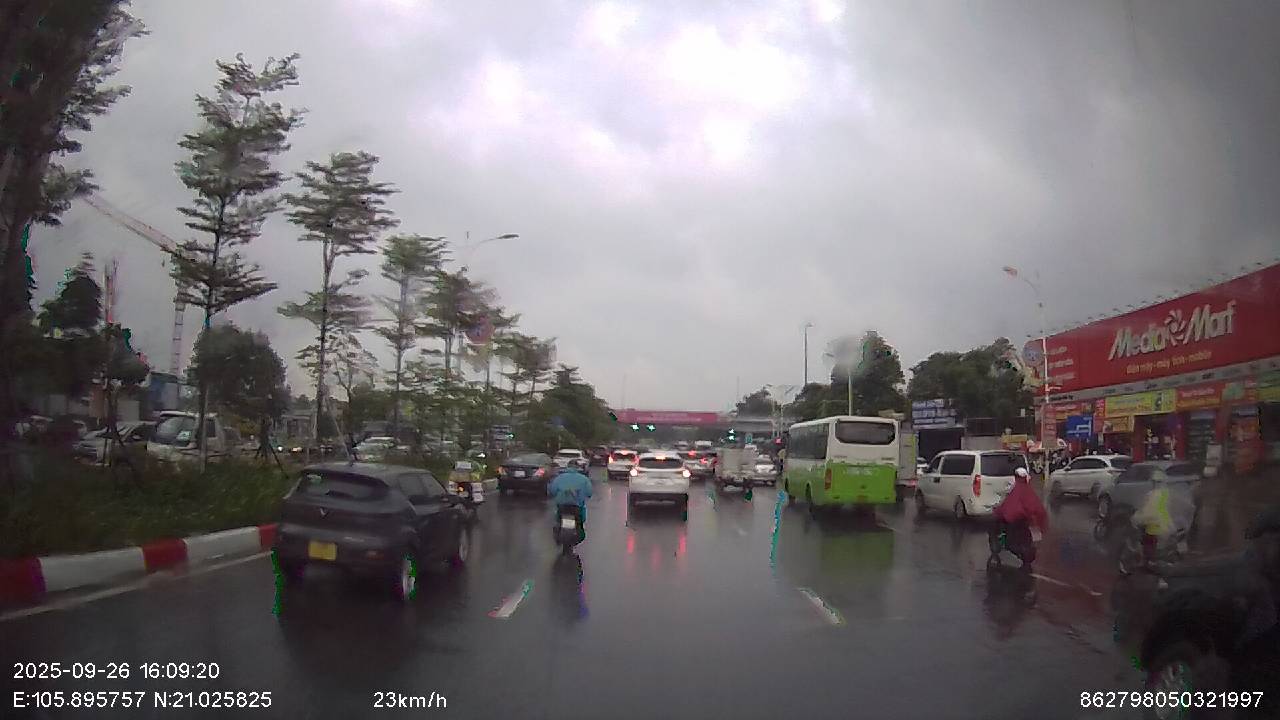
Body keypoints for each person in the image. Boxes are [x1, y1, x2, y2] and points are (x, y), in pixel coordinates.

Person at [991, 467, 1049, 568]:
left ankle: (1019, 551)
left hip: (1015, 521)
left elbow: (1008, 507)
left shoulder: (1016, 489)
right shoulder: (1027, 490)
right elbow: (1036, 506)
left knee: (1010, 541)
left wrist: (999, 511)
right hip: (1025, 520)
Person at [547, 466, 593, 535]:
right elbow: (589, 493)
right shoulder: (584, 479)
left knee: (558, 517)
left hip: (562, 505)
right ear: (577, 468)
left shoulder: (559, 478)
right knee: (580, 517)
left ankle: (558, 529)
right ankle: (579, 529)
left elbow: (553, 491)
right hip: (577, 506)